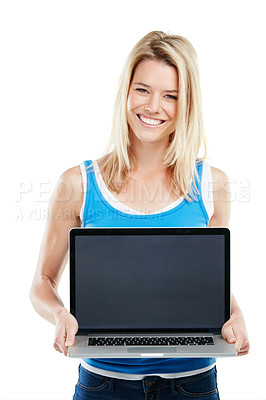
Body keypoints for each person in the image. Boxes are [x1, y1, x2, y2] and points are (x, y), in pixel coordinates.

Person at [30, 31, 250, 400]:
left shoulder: (214, 185)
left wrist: (237, 314)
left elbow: (209, 286)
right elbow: (42, 280)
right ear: (126, 92)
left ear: (187, 105)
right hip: (103, 384)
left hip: (193, 384)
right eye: (143, 90)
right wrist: (59, 315)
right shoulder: (78, 184)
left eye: (171, 96)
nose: (153, 107)